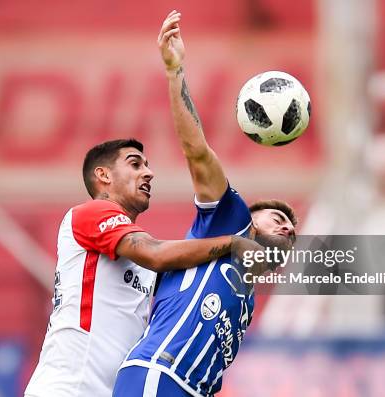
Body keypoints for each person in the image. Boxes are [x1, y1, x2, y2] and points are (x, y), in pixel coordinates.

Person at [113, 11, 298, 397]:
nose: (288, 229)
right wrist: (174, 70)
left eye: (292, 231)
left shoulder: (247, 295)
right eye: (279, 219)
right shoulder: (231, 221)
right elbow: (197, 153)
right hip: (159, 377)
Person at [24, 139, 263, 397]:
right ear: (103, 175)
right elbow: (156, 254)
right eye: (135, 164)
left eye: (146, 166)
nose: (148, 173)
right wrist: (233, 242)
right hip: (69, 387)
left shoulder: (140, 259)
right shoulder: (91, 213)